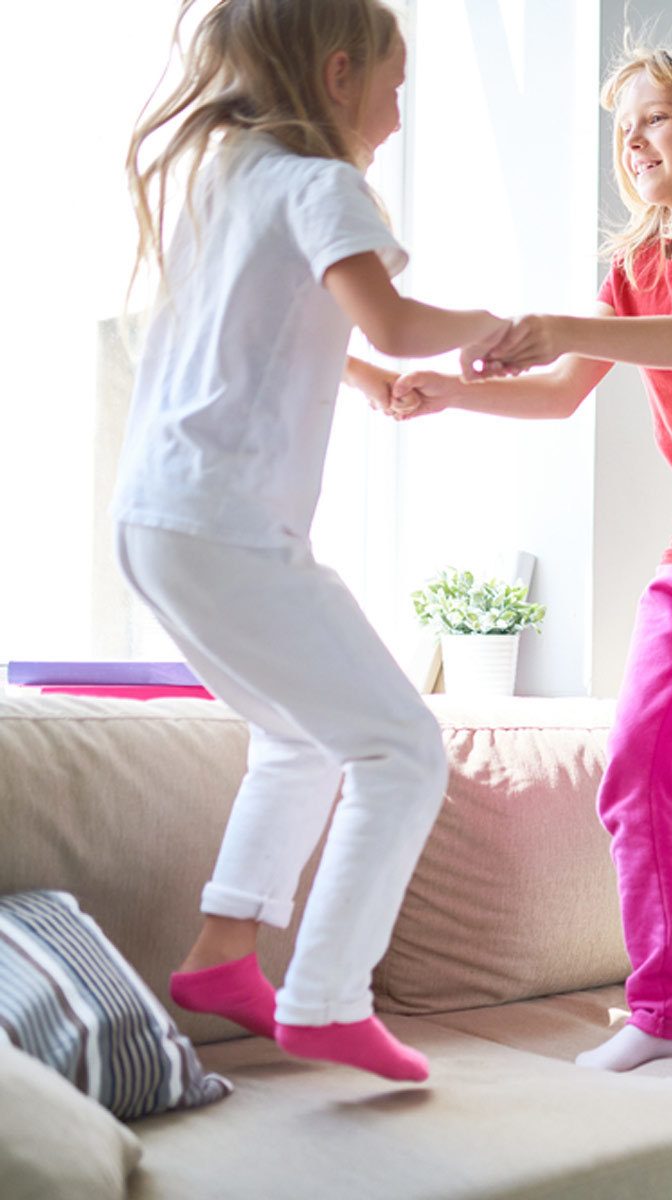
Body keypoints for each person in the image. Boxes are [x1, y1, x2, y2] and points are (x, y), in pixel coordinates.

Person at [389, 44, 672, 1085]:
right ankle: (660, 1010)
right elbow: (558, 395)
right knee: (633, 767)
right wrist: (449, 391)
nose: (632, 143)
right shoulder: (635, 270)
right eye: (623, 128)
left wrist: (549, 322)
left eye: (655, 121)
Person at [113, 0, 516, 1083]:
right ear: (338, 74)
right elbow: (387, 315)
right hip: (228, 528)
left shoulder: (227, 172)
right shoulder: (324, 183)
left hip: (155, 521)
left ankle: (223, 950)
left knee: (297, 740)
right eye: (393, 80)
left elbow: (260, 319)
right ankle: (328, 996)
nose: (398, 106)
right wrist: (493, 325)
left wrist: (368, 378)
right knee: (401, 750)